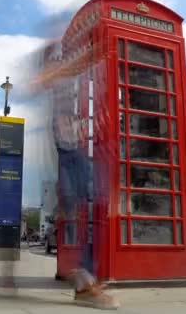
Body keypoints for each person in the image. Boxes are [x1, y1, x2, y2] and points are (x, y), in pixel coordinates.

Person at [52, 110, 120, 309]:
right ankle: (85, 282)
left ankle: (86, 279)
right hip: (71, 164)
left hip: (78, 163)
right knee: (93, 218)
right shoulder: (68, 154)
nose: (69, 128)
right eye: (63, 125)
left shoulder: (79, 152)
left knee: (98, 214)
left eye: (70, 124)